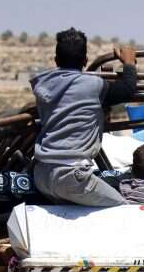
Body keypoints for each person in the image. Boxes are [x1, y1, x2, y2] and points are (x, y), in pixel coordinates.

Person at [31, 27, 137, 206]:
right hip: (71, 177)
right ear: (86, 60)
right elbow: (127, 90)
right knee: (123, 209)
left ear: (56, 60)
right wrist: (128, 63)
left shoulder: (43, 84)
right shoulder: (93, 85)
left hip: (41, 174)